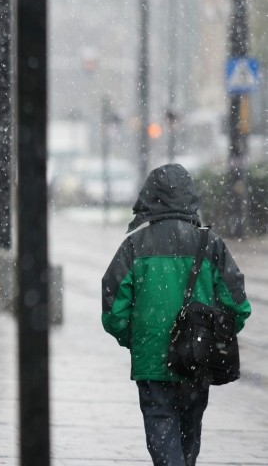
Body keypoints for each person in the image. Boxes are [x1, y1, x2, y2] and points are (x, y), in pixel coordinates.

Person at [101, 163, 251, 466]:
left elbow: (112, 309)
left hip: (152, 361)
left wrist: (136, 338)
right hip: (197, 360)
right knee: (188, 435)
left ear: (150, 197)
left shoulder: (134, 245)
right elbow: (238, 306)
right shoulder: (210, 244)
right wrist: (213, 337)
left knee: (162, 434)